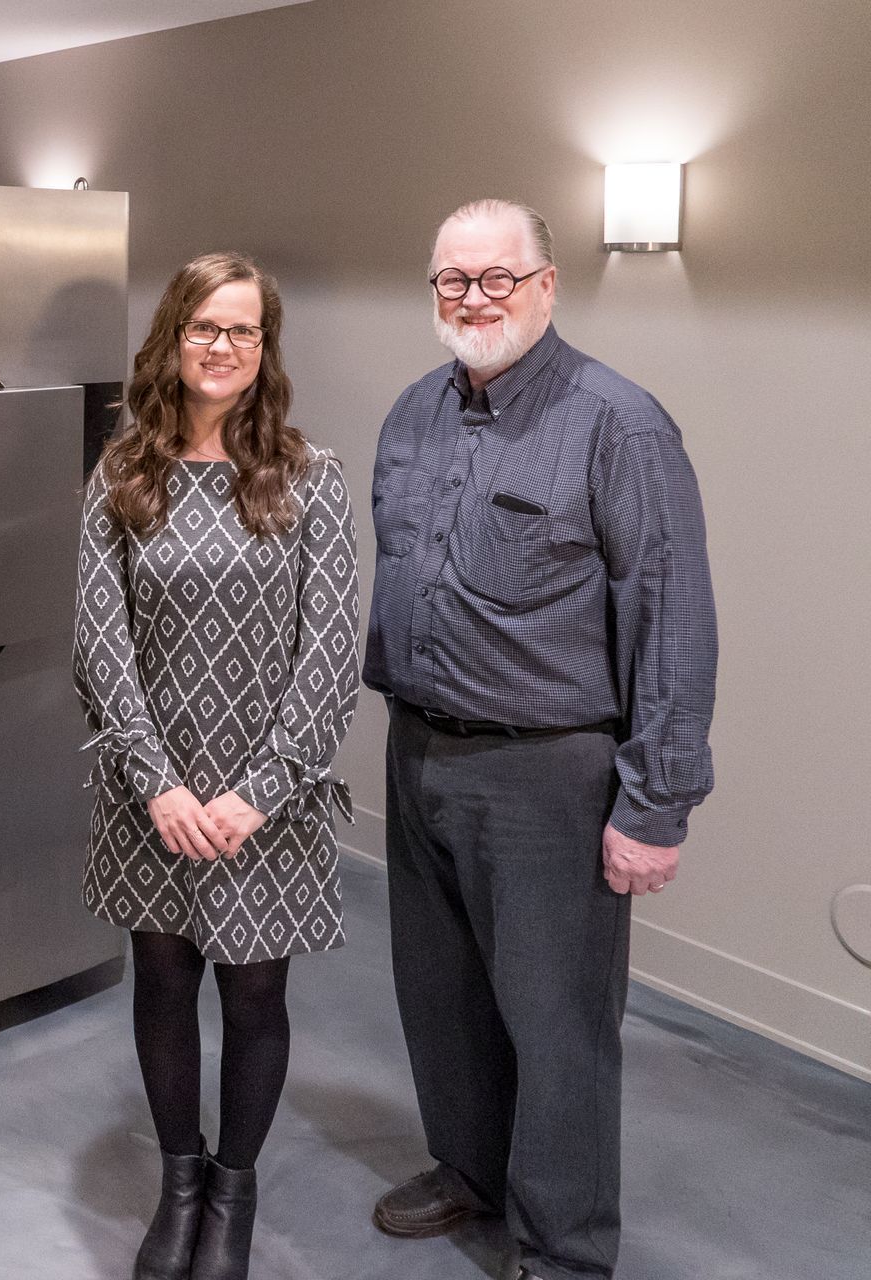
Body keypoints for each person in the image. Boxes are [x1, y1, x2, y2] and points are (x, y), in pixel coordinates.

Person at [364, 199, 717, 1280]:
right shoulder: (413, 413)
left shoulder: (620, 423)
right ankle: (470, 1168)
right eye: (452, 279)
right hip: (421, 748)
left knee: (558, 1023)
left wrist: (654, 805)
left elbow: (672, 621)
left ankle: (565, 1245)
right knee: (441, 993)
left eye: (496, 277)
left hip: (549, 773)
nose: (473, 298)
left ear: (546, 285)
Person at [76, 251, 360, 1280]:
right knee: (161, 978)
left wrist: (262, 788)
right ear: (172, 337)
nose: (223, 346)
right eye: (205, 325)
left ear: (264, 349)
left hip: (261, 800)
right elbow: (98, 640)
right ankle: (179, 1178)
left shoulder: (310, 478)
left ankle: (233, 1188)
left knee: (251, 993)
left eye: (243, 329)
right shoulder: (122, 472)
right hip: (149, 790)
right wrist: (157, 779)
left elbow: (330, 649)